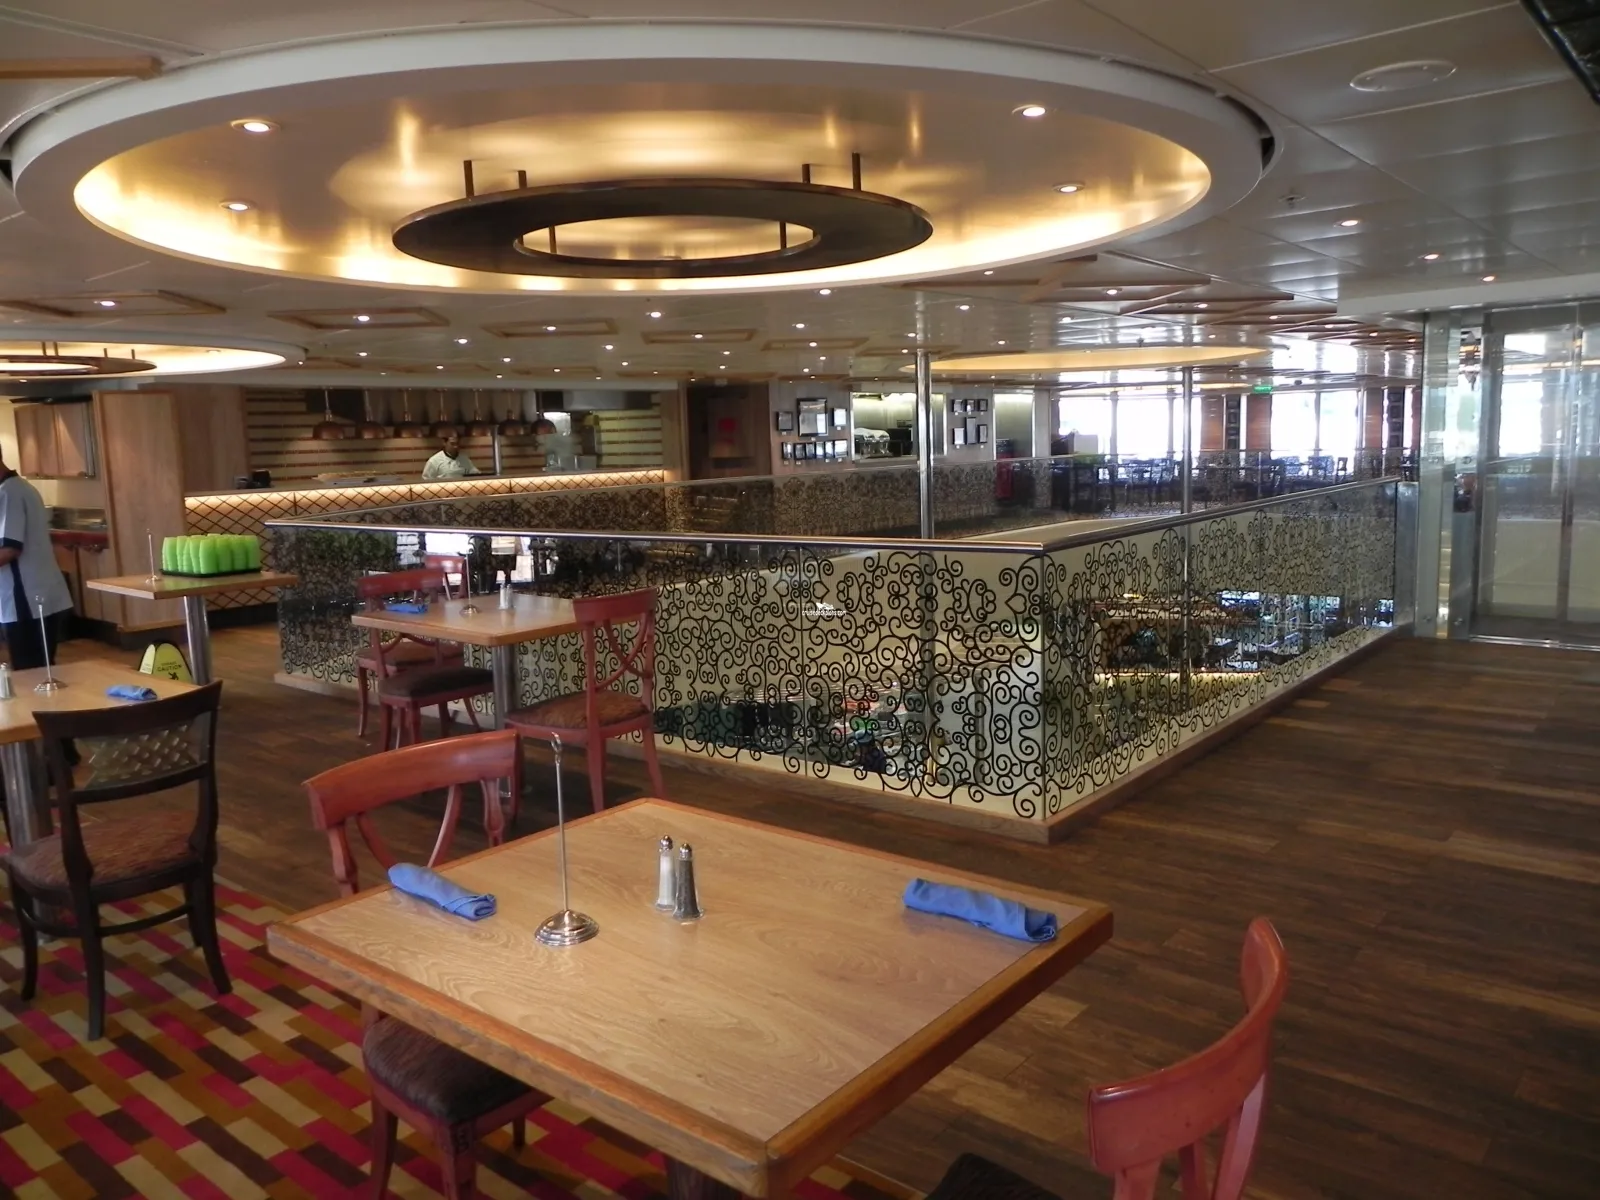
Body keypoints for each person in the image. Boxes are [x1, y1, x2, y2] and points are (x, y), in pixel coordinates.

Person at [0, 452, 73, 670]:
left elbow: (9, 549)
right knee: (41, 668)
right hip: (37, 596)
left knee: (30, 670)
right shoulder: (19, 488)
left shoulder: (9, 493)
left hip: (26, 601)